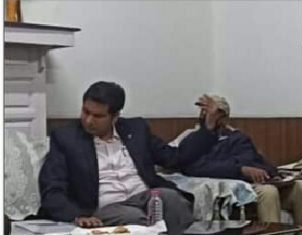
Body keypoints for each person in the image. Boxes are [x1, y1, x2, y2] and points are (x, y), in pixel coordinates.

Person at [39, 82, 225, 234]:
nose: (88, 120)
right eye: (85, 112)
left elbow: (174, 158)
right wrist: (77, 216)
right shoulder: (66, 138)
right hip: (106, 207)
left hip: (145, 197)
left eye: (97, 116)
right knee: (134, 218)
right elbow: (52, 187)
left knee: (172, 200)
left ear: (115, 116)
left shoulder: (136, 129)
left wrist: (208, 128)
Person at [178, 96, 302, 234]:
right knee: (268, 192)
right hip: (234, 191)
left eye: (217, 114)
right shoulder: (193, 140)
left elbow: (254, 160)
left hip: (253, 183)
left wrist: (274, 175)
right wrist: (240, 169)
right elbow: (196, 166)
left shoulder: (238, 137)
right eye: (207, 113)